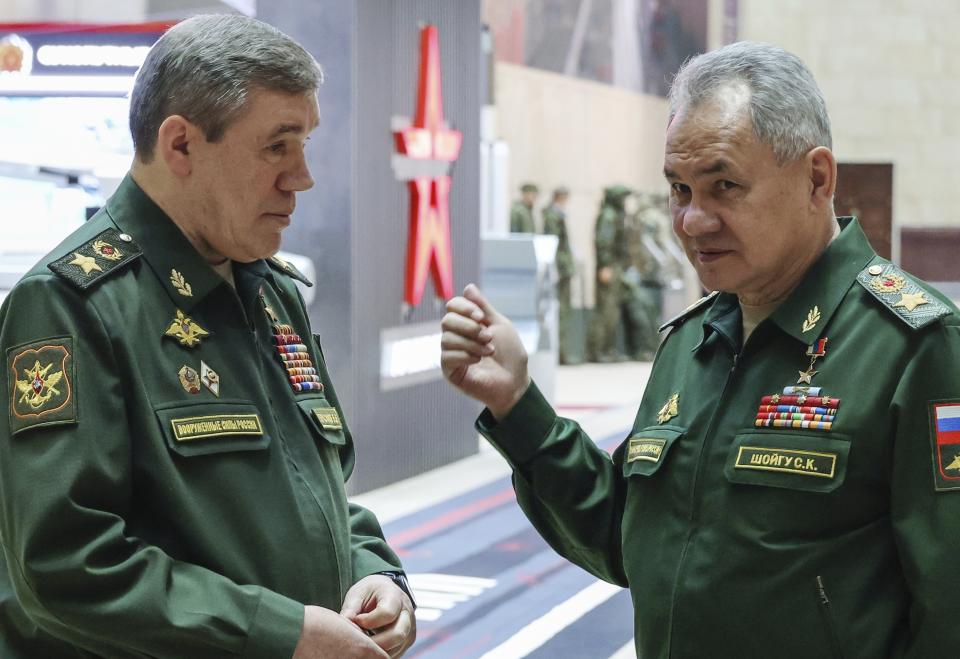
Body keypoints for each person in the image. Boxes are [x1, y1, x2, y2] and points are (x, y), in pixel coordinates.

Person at [440, 40, 960, 657]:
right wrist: (518, 406)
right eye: (680, 189)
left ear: (816, 179)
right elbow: (629, 539)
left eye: (724, 186)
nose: (692, 220)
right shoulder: (693, 342)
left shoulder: (913, 347)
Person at [0, 15, 415, 659]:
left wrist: (374, 573)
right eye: (277, 146)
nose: (301, 176)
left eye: (304, 143)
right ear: (181, 146)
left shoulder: (270, 291)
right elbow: (64, 564)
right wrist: (280, 634)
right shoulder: (71, 307)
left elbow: (317, 488)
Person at [587, 185, 631, 361]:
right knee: (605, 309)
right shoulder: (609, 216)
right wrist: (605, 266)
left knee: (611, 309)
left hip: (615, 265)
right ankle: (598, 351)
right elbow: (604, 242)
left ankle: (608, 349)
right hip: (610, 266)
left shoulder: (615, 215)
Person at [541, 186, 579, 364]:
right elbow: (553, 244)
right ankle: (561, 353)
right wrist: (555, 267)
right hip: (561, 268)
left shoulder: (556, 215)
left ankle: (563, 352)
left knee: (564, 309)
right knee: (562, 310)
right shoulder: (553, 216)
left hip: (564, 267)